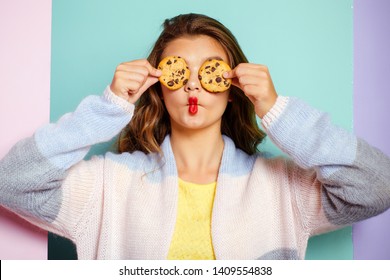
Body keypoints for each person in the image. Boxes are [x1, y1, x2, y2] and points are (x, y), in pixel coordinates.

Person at [0, 13, 390, 260]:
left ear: (232, 83)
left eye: (209, 71)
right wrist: (107, 108)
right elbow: (13, 183)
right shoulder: (107, 185)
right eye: (178, 71)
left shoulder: (283, 190)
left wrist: (277, 110)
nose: (192, 86)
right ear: (159, 85)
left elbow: (376, 187)